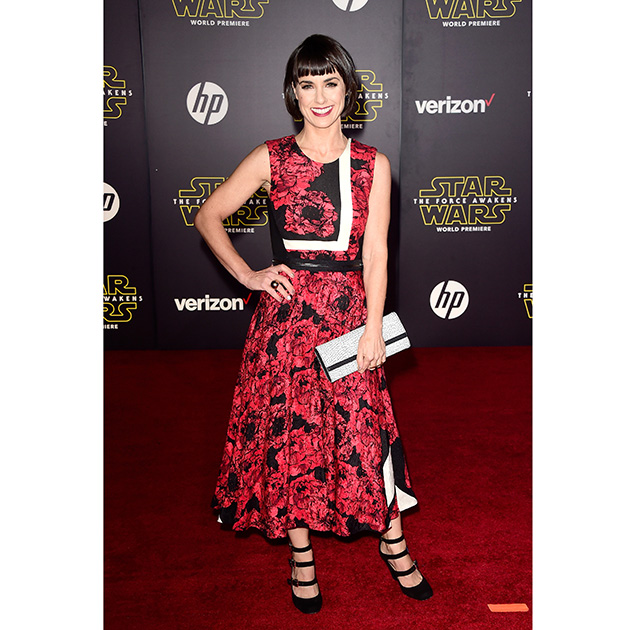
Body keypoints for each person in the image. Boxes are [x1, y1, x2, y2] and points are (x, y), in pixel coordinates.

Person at [194, 34, 432, 614]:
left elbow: (376, 255)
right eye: (307, 84)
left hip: (350, 319)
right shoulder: (271, 157)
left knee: (363, 432)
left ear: (348, 90)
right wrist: (248, 275)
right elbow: (209, 215)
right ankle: (301, 554)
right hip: (286, 322)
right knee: (289, 440)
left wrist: (373, 327)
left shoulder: (372, 165)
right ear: (293, 93)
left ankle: (393, 541)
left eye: (331, 83)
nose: (320, 97)